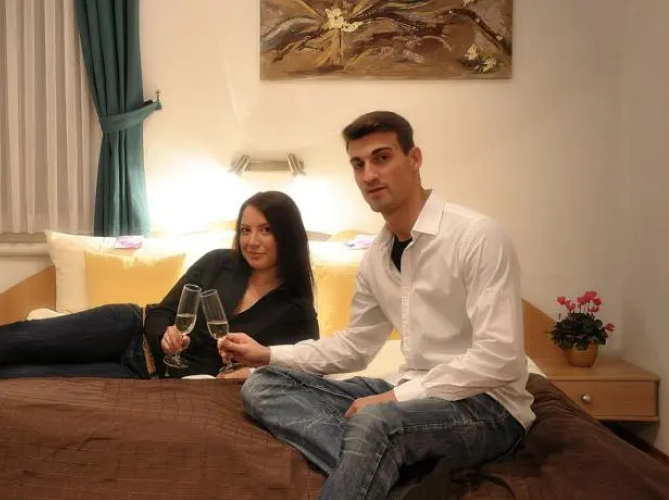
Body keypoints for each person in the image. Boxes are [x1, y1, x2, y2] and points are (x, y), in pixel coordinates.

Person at [219, 111, 534, 499]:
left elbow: (501, 357)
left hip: (487, 405)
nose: (369, 175)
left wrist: (395, 398)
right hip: (409, 391)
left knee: (375, 421)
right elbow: (356, 346)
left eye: (381, 158)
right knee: (263, 385)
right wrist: (267, 355)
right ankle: (399, 480)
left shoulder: (477, 236)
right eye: (358, 164)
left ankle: (378, 461)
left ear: (414, 159)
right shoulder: (376, 256)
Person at [0, 190, 319, 385]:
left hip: (145, 378)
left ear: (287, 235)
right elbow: (164, 310)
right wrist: (165, 333)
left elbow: (302, 371)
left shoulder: (296, 312)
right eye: (245, 230)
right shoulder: (220, 263)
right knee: (24, 338)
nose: (252, 241)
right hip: (127, 329)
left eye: (265, 231)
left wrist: (250, 373)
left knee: (19, 378)